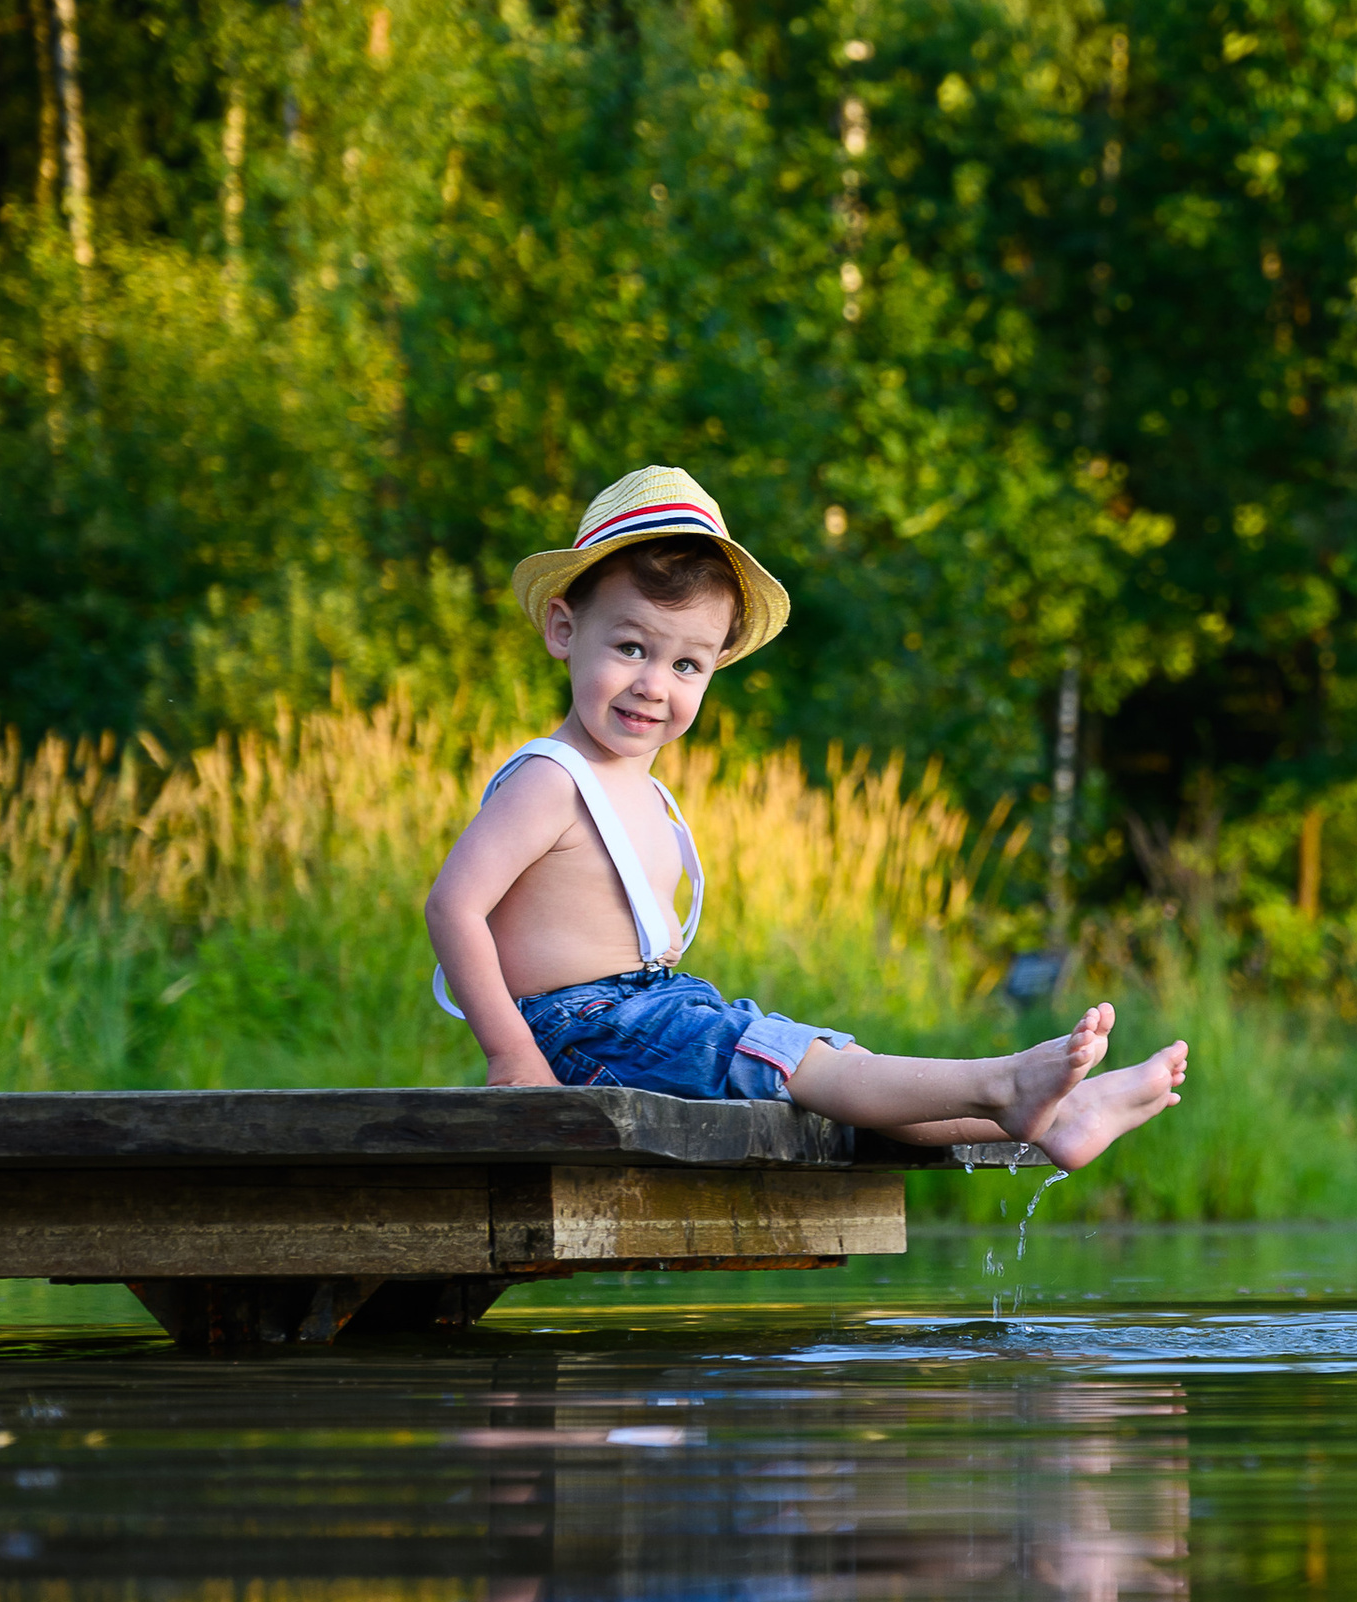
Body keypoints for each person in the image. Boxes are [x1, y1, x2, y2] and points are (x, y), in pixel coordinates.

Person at [423, 465, 1186, 1174]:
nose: (653, 685)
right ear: (564, 630)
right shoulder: (551, 779)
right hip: (583, 1031)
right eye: (630, 647)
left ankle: (1053, 1117)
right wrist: (512, 1055)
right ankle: (1007, 1083)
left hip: (652, 1011)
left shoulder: (643, 790)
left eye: (686, 665)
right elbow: (455, 905)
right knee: (805, 1064)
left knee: (824, 1071)